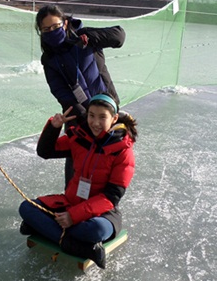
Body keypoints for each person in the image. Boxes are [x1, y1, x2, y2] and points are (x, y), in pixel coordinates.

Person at [18, 93, 137, 269]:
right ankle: (74, 244)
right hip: (70, 203)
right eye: (91, 115)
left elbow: (111, 198)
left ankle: (46, 229)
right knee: (26, 207)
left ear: (114, 118)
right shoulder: (79, 138)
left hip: (101, 213)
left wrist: (73, 217)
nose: (95, 123)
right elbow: (45, 151)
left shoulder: (122, 152)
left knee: (96, 230)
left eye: (102, 117)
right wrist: (54, 127)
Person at [36, 5, 125, 186]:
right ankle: (72, 199)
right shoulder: (49, 58)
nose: (52, 31)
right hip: (77, 117)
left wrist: (92, 37)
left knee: (108, 158)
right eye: (46, 29)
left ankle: (104, 201)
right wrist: (84, 117)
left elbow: (119, 36)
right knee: (77, 162)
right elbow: (59, 90)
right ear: (41, 32)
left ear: (65, 23)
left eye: (56, 26)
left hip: (106, 110)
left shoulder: (85, 37)